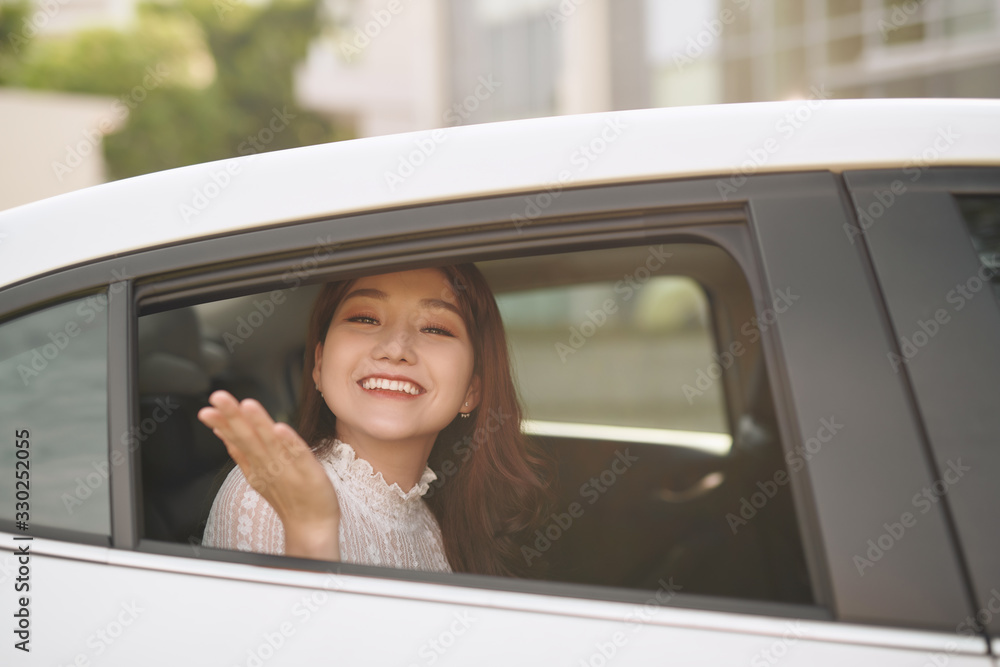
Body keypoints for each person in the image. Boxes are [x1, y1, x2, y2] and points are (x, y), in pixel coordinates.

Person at [199, 264, 551, 576]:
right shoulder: (270, 494)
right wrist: (310, 531)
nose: (395, 349)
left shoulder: (436, 529)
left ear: (471, 391)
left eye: (436, 328)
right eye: (365, 319)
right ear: (319, 366)